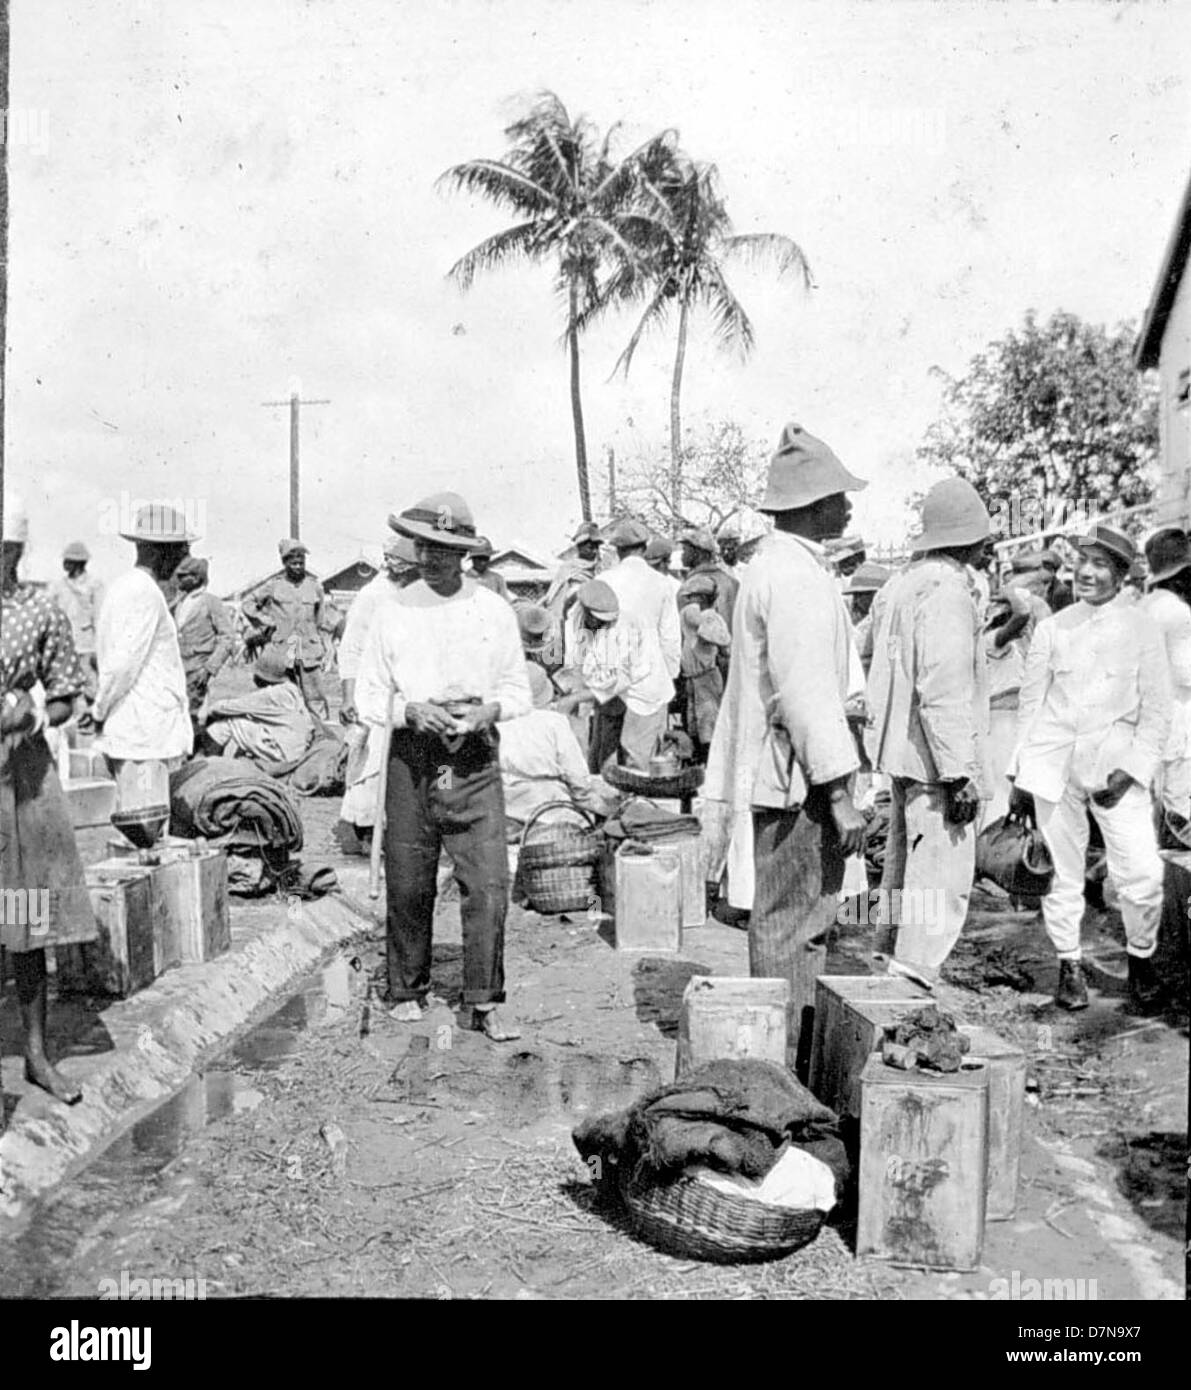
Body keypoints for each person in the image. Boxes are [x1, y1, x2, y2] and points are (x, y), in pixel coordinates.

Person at [703, 422, 868, 1062]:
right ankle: (783, 1069)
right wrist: (839, 792)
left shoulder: (783, 566)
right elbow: (804, 696)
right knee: (794, 926)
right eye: (837, 496)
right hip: (799, 777)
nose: (847, 505)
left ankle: (785, 1061)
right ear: (809, 504)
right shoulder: (793, 577)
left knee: (794, 923)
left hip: (786, 768)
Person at [354, 491, 531, 1043]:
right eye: (427, 547)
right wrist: (410, 710)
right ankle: (407, 987)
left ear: (466, 554)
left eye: (447, 550)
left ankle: (483, 997)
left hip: (472, 756)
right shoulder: (393, 608)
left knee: (488, 881)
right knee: (409, 879)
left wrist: (488, 710)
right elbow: (368, 695)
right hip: (413, 757)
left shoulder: (493, 610)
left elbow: (517, 689)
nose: (434, 559)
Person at [1009, 524, 1171, 1014]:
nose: (1087, 572)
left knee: (1141, 874)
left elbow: (1158, 710)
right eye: (1083, 560)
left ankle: (1140, 959)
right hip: (1055, 767)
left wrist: (1132, 770)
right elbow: (1031, 704)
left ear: (1122, 576)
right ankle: (1069, 964)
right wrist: (1020, 774)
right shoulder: (1055, 627)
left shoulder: (1142, 628)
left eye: (1101, 564)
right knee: (1062, 873)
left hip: (1115, 771)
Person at [864, 477, 992, 989]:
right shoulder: (947, 592)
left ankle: (891, 970)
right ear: (969, 539)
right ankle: (910, 987)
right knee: (939, 881)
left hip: (903, 752)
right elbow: (942, 687)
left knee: (904, 869)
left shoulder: (898, 586)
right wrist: (959, 772)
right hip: (935, 762)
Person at [1, 497, 97, 1106]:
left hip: (21, 774)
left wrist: (33, 712)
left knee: (28, 911)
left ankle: (36, 1053)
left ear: (18, 553)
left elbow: (67, 693)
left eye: (5, 551)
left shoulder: (39, 608)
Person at [93, 504, 194, 813]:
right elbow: (121, 665)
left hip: (143, 732)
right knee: (145, 829)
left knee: (144, 822)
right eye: (178, 550)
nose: (182, 559)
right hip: (142, 735)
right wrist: (100, 710)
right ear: (156, 551)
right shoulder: (142, 593)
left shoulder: (127, 587)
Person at [335, 535, 421, 842]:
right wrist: (348, 696)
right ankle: (362, 830)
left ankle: (387, 827)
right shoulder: (373, 595)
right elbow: (351, 647)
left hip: (401, 690)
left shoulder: (413, 595)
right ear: (398, 567)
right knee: (369, 762)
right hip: (371, 690)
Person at [595, 518, 680, 768]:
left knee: (608, 753)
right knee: (640, 758)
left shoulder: (604, 581)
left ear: (618, 551)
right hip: (650, 676)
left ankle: (608, 803)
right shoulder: (663, 584)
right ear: (644, 548)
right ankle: (637, 804)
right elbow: (670, 638)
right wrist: (670, 675)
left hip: (611, 675)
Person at [499, 662, 613, 837]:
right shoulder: (554, 722)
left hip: (507, 812)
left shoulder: (495, 724)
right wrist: (601, 808)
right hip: (550, 811)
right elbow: (577, 779)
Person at [560, 578, 651, 772]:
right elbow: (576, 658)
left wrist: (577, 697)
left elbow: (618, 679)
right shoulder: (576, 617)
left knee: (631, 755)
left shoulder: (624, 628)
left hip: (638, 693)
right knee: (598, 747)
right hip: (606, 694)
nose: (599, 622)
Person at [1139, 528, 1191, 838]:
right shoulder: (1179, 613)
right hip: (1176, 719)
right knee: (1178, 812)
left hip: (1146, 720)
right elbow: (1187, 674)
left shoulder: (1145, 607)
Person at [242, 539, 330, 719]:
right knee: (279, 694)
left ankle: (321, 738)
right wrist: (266, 622)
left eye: (301, 563)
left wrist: (323, 643)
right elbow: (248, 603)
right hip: (283, 647)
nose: (298, 567)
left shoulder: (315, 586)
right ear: (285, 563)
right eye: (293, 563)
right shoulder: (274, 585)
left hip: (307, 648)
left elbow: (320, 620)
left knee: (315, 698)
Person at [202, 650, 316, 766]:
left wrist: (208, 714)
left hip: (284, 752)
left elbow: (227, 707)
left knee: (225, 726)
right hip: (296, 747)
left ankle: (210, 766)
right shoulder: (291, 689)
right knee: (247, 723)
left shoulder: (273, 694)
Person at [173, 556, 235, 733]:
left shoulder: (211, 602)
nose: (178, 580)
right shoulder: (179, 602)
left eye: (183, 576)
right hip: (179, 667)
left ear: (196, 578)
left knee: (194, 716)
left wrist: (209, 668)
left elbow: (228, 637)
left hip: (198, 669)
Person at [676, 572, 730, 763]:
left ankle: (709, 761)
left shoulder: (710, 617)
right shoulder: (691, 615)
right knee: (693, 721)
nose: (689, 601)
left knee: (708, 720)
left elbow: (723, 641)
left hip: (706, 674)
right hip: (692, 676)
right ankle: (698, 757)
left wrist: (702, 621)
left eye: (693, 597)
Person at [49, 540, 103, 702]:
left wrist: (98, 647)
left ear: (79, 563)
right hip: (63, 645)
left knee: (90, 685)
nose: (64, 564)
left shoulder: (94, 585)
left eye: (69, 561)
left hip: (85, 645)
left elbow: (99, 617)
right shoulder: (57, 586)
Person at [679, 526, 739, 638]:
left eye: (685, 550)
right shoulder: (733, 583)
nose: (682, 555)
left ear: (697, 553)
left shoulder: (693, 586)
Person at [844, 561, 892, 675]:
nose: (856, 600)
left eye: (861, 595)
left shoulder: (881, 621)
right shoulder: (857, 621)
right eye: (855, 595)